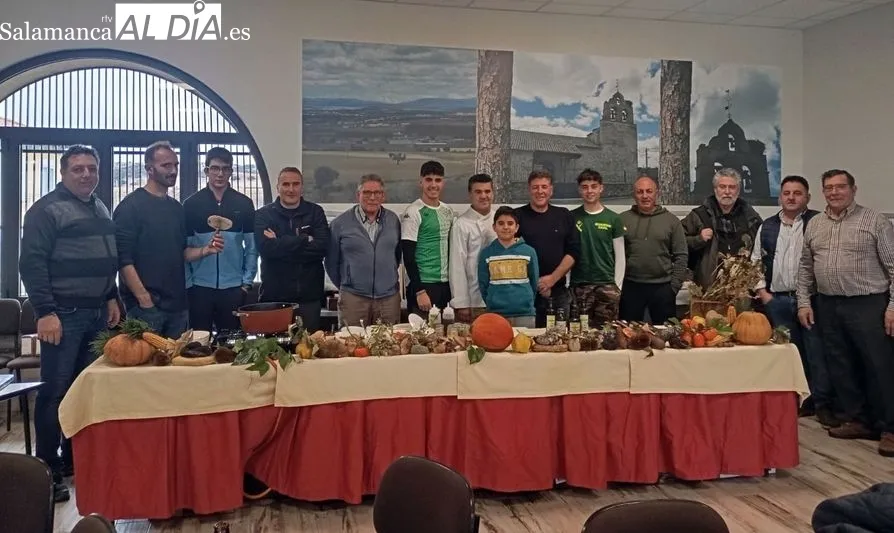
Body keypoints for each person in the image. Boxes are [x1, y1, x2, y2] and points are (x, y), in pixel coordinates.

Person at [19, 145, 121, 502]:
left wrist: (111, 296)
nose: (86, 174)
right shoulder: (45, 210)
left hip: (96, 313)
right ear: (63, 173)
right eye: (78, 169)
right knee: (54, 393)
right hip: (63, 316)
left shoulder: (99, 206)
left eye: (92, 168)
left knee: (83, 391)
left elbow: (106, 257)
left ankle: (74, 459)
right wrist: (45, 312)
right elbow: (31, 263)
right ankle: (48, 472)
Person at [798, 169, 894, 456]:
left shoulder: (874, 221)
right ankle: (857, 419)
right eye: (829, 187)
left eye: (840, 187)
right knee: (841, 364)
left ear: (853, 189)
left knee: (879, 366)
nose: (834, 192)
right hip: (828, 304)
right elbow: (805, 267)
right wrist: (803, 302)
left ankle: (890, 428)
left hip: (868, 303)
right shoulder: (815, 224)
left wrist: (893, 306)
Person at [114, 141, 221, 339]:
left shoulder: (176, 208)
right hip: (145, 308)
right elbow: (123, 260)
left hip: (178, 306)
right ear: (149, 169)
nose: (173, 170)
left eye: (175, 165)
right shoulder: (130, 207)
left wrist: (205, 250)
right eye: (166, 165)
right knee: (144, 359)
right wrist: (144, 298)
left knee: (176, 359)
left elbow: (181, 253)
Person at [751, 175, 833, 424]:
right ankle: (800, 401)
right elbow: (755, 261)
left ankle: (823, 403)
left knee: (816, 352)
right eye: (787, 193)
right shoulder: (767, 225)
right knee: (789, 353)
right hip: (777, 301)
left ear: (807, 197)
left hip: (811, 301)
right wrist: (764, 294)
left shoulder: (818, 222)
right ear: (780, 197)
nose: (791, 197)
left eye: (797, 193)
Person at [183, 147, 258, 333]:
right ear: (206, 170)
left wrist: (246, 283)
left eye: (225, 169)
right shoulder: (192, 204)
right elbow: (184, 248)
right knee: (199, 341)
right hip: (200, 288)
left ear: (231, 171)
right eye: (215, 168)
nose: (220, 174)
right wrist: (189, 283)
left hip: (233, 288)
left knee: (230, 342)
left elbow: (252, 247)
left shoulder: (244, 203)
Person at [255, 167, 330, 333]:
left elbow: (322, 248)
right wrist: (303, 239)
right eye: (286, 184)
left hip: (309, 299)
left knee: (308, 346)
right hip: (274, 298)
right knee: (273, 347)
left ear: (302, 187)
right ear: (278, 187)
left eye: (295, 184)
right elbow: (266, 249)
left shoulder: (315, 212)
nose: (291, 189)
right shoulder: (263, 215)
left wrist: (279, 242)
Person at [326, 174, 402, 327]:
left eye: (377, 193)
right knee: (351, 340)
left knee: (389, 341)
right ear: (358, 195)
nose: (372, 197)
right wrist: (348, 284)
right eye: (366, 193)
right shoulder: (340, 224)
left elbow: (397, 255)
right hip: (353, 300)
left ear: (383, 196)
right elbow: (331, 262)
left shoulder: (393, 220)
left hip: (388, 300)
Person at [515, 169, 581, 327]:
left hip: (558, 293)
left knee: (559, 338)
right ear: (529, 189)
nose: (540, 191)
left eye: (544, 187)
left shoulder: (564, 215)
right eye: (535, 187)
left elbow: (574, 251)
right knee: (525, 339)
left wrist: (552, 279)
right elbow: (511, 252)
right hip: (525, 293)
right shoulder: (517, 216)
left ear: (551, 190)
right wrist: (536, 284)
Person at [619, 176, 688, 324]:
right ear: (634, 195)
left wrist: (674, 287)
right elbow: (614, 255)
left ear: (657, 193)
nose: (645, 196)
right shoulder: (622, 220)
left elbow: (681, 256)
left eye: (649, 191)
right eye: (640, 192)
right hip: (630, 287)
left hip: (663, 288)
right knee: (628, 332)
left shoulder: (671, 221)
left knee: (666, 333)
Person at [682, 167, 762, 290]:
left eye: (732, 187)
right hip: (709, 289)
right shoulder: (699, 215)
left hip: (742, 288)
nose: (727, 191)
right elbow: (677, 242)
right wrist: (699, 239)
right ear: (715, 189)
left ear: (738, 190)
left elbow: (763, 248)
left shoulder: (750, 217)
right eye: (722, 187)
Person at [401, 160, 457, 316]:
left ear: (443, 183)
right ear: (421, 182)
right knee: (423, 331)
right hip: (423, 285)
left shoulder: (448, 210)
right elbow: (408, 255)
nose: (433, 185)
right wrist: (419, 290)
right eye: (428, 180)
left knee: (445, 330)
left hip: (445, 285)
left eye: (438, 180)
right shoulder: (413, 212)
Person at [570, 169, 626, 326]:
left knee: (607, 332)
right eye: (585, 187)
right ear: (579, 190)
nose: (589, 191)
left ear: (601, 188)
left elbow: (620, 256)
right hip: (579, 285)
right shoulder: (571, 217)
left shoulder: (613, 219)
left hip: (607, 285)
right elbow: (567, 253)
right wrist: (568, 283)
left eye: (594, 186)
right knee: (579, 332)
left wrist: (617, 286)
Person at [478, 206, 539, 328]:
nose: (505, 227)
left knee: (524, 341)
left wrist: (525, 301)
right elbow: (483, 285)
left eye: (510, 223)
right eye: (501, 223)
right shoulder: (487, 253)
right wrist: (492, 302)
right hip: (496, 314)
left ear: (516, 227)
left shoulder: (529, 252)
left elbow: (534, 281)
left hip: (525, 314)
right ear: (494, 227)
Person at [448, 173, 497, 323]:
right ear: (470, 194)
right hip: (473, 301)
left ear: (493, 193)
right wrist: (462, 303)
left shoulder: (501, 221)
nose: (483, 196)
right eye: (478, 192)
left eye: (487, 191)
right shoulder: (461, 224)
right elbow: (457, 265)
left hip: (499, 299)